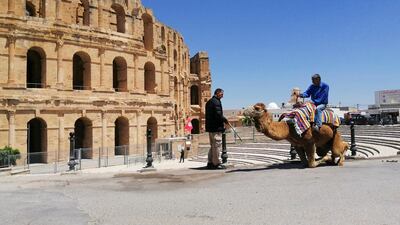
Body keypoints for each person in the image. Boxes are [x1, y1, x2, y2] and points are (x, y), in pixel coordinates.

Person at [205, 88, 228, 169]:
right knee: (217, 146)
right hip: (216, 128)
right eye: (221, 94)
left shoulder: (209, 102)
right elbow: (218, 115)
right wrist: (225, 120)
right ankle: (216, 163)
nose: (222, 96)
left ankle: (210, 162)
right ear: (217, 93)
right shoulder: (216, 102)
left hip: (210, 128)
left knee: (213, 146)